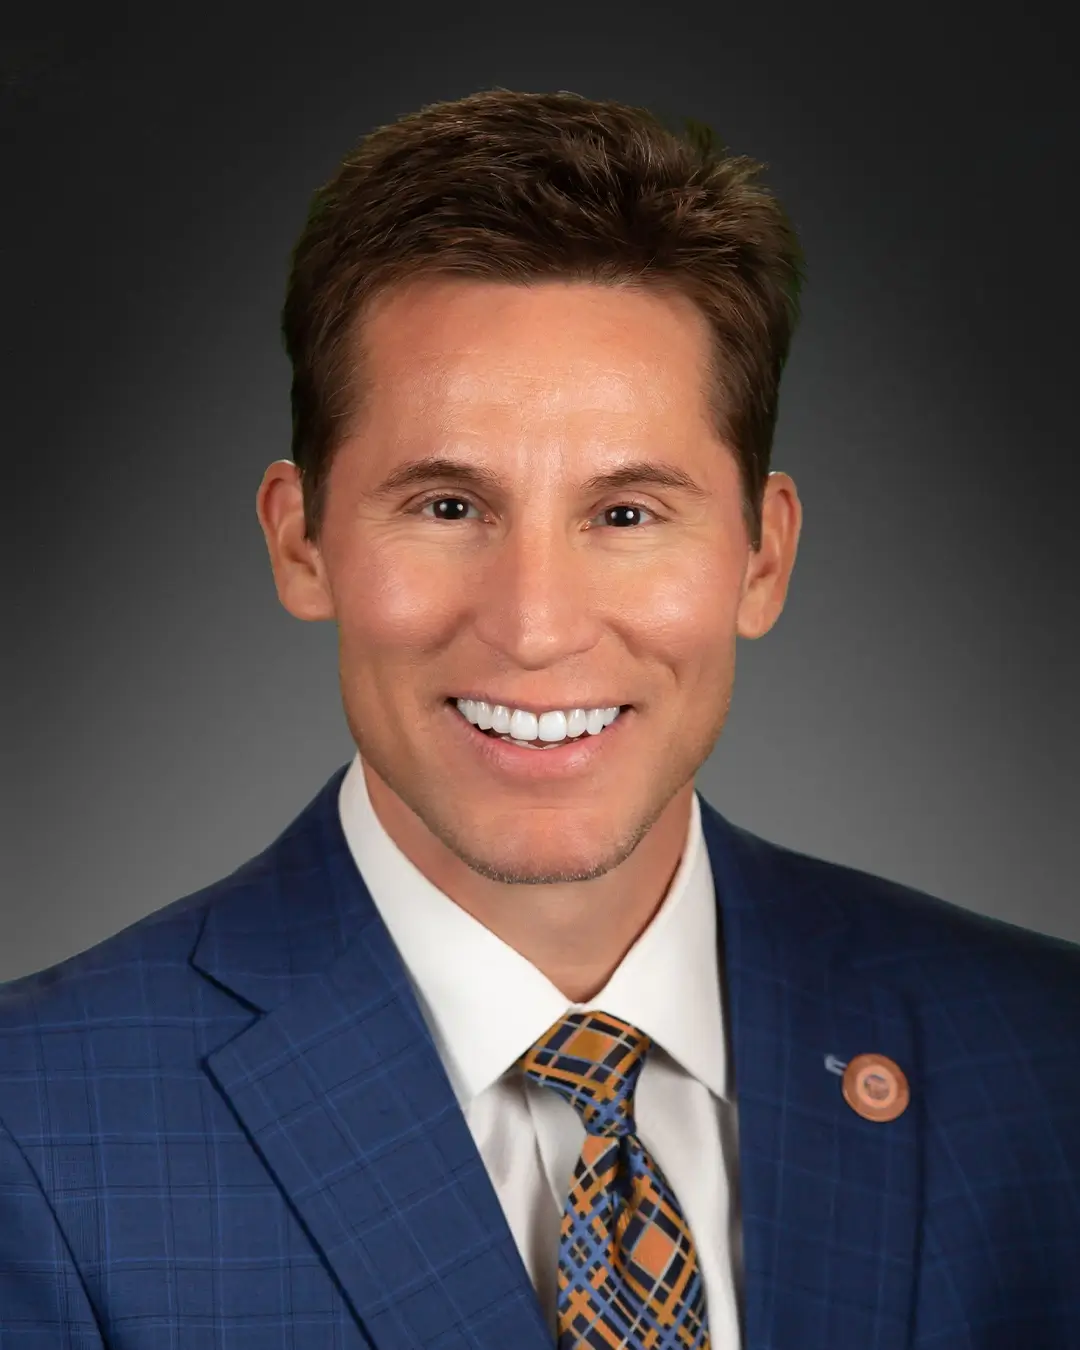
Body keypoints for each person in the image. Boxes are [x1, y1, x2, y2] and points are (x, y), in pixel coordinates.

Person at [1, 88, 1077, 1350]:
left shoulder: (1043, 1062)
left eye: (627, 514)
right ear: (301, 542)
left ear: (761, 558)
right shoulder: (38, 1131)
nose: (534, 625)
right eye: (448, 506)